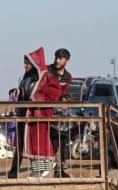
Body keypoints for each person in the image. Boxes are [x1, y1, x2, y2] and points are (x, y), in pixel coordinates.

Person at [20, 48, 66, 178]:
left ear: (34, 63)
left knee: (39, 143)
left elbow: (55, 92)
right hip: (29, 114)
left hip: (41, 114)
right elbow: (24, 92)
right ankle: (37, 170)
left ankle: (41, 170)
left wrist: (38, 98)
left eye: (27, 63)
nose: (25, 66)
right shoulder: (27, 77)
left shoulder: (47, 76)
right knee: (31, 143)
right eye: (24, 63)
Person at [48, 49, 72, 178]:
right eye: (56, 57)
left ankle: (61, 169)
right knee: (52, 141)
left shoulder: (67, 76)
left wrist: (65, 101)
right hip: (46, 112)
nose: (57, 60)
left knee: (62, 140)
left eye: (60, 58)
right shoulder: (47, 71)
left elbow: (65, 93)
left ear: (67, 61)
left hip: (60, 115)